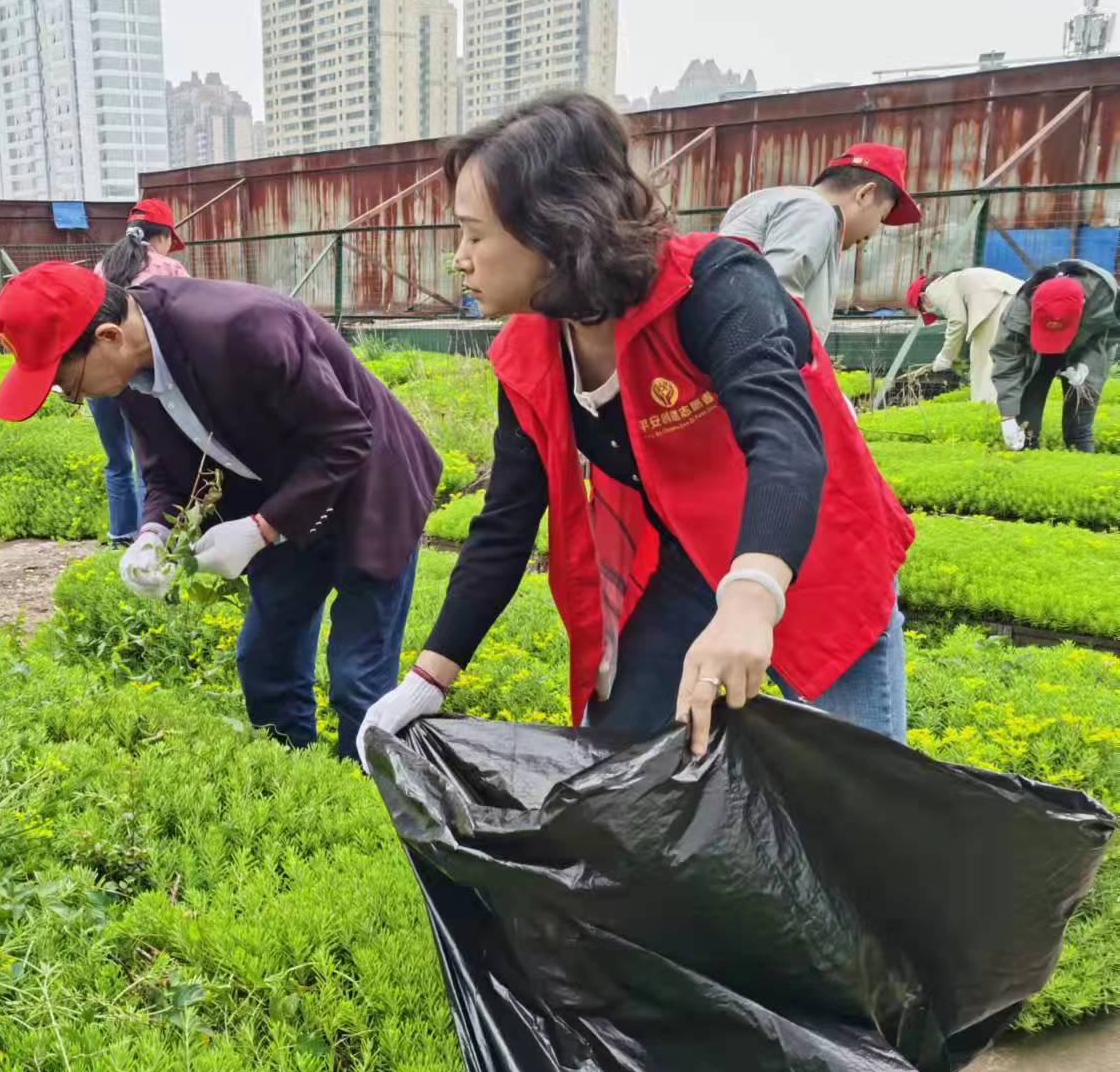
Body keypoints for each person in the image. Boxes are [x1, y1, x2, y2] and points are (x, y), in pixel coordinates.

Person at [362, 93, 914, 765]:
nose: (460, 259)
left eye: (475, 235)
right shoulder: (531, 355)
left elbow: (787, 443)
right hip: (693, 560)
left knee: (858, 787)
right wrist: (428, 680)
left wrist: (751, 598)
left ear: (553, 228)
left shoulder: (714, 284)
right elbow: (505, 526)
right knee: (619, 761)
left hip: (812, 547)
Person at [0, 262, 442, 763]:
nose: (72, 396)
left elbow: (347, 438)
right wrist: (153, 533)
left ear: (109, 336)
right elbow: (164, 473)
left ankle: (367, 789)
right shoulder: (129, 375)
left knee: (358, 676)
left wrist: (261, 528)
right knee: (265, 660)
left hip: (369, 487)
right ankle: (294, 776)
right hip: (279, 497)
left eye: (66, 383)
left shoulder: (242, 327)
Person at [720, 143, 921, 340]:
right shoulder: (815, 211)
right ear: (865, 195)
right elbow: (770, 305)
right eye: (881, 217)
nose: (871, 235)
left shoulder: (761, 203)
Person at [88, 198, 192, 544]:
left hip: (100, 375)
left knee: (117, 460)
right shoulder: (170, 269)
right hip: (145, 377)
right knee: (151, 461)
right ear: (162, 236)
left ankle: (120, 536)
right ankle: (152, 539)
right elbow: (186, 326)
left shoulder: (102, 267)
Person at [991, 259, 1118, 452]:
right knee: (1027, 421)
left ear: (1083, 306)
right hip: (1038, 352)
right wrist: (1008, 416)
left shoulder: (1104, 294)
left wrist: (1086, 363)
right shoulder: (1020, 310)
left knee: (1080, 420)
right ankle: (1028, 451)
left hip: (1086, 345)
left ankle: (1081, 455)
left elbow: (1110, 333)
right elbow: (1007, 360)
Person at [905, 267, 1024, 404]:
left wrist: (945, 356)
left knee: (983, 359)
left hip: (1000, 302)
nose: (931, 311)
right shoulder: (951, 280)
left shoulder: (934, 290)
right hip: (1017, 296)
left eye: (923, 308)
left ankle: (987, 404)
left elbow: (958, 320)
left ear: (922, 297)